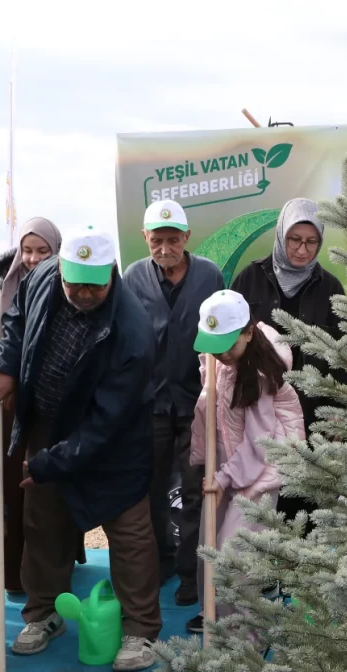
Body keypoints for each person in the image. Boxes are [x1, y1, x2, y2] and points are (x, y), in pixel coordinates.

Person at [0, 230, 161, 672]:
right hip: (47, 424)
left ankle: (141, 630)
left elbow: (105, 423)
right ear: (60, 270)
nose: (82, 293)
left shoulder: (133, 332)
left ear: (112, 276)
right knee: (43, 521)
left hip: (115, 441)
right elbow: (17, 319)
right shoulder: (41, 276)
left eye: (94, 285)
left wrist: (48, 464)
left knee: (130, 533)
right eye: (74, 282)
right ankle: (44, 615)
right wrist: (5, 366)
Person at [186, 290, 304, 630]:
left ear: (249, 332)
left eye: (228, 345)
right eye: (213, 344)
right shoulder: (219, 357)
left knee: (233, 558)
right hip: (227, 458)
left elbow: (259, 445)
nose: (220, 354)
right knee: (208, 548)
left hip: (259, 470)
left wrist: (223, 478)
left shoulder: (259, 374)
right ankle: (213, 621)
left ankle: (247, 643)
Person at [124, 200, 223, 602]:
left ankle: (189, 572)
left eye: (172, 239)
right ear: (145, 238)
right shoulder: (132, 278)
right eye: (156, 239)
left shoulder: (210, 275)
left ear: (186, 237)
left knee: (197, 491)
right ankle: (160, 562)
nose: (165, 247)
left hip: (197, 402)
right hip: (150, 406)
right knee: (152, 488)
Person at [231, 198, 345, 534]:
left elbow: (342, 353)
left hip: (312, 410)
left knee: (306, 498)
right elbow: (230, 341)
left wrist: (338, 408)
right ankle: (262, 579)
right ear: (281, 236)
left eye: (312, 242)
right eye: (294, 240)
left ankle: (303, 574)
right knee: (261, 494)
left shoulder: (330, 287)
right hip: (258, 407)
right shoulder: (249, 279)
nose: (302, 250)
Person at [0, 217, 72, 596]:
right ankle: (12, 575)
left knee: (43, 491)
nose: (33, 258)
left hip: (50, 405)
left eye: (43, 251)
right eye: (27, 250)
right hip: (12, 404)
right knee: (10, 487)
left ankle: (45, 580)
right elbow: (10, 336)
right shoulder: (8, 288)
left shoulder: (67, 288)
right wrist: (3, 369)